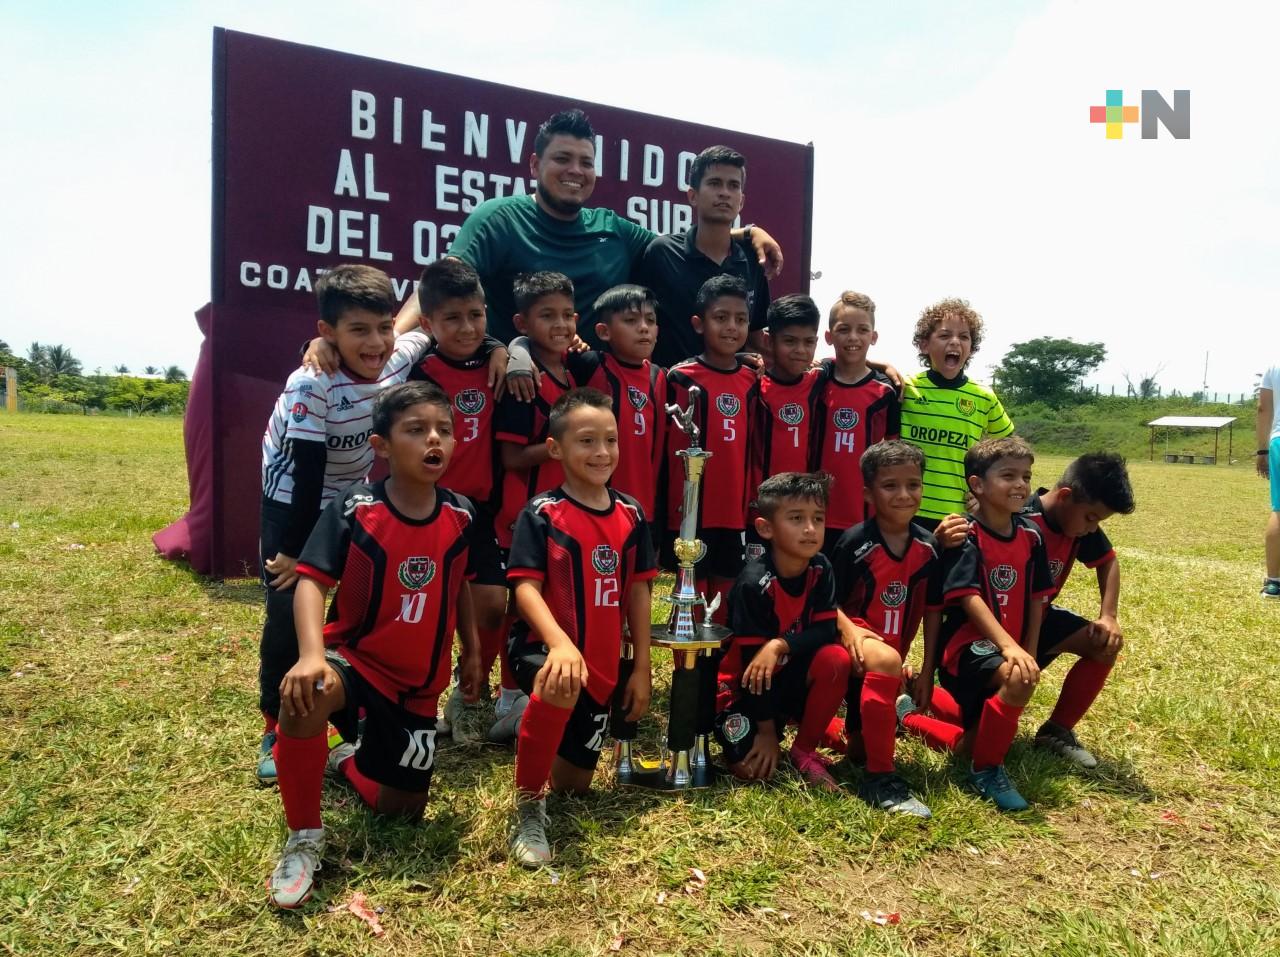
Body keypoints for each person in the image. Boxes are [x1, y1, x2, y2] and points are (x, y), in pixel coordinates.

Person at [266, 381, 482, 908]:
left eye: (444, 430)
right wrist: (311, 656)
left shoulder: (462, 514)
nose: (434, 440)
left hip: (417, 687)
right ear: (381, 445)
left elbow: (461, 585)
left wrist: (473, 651)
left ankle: (344, 758)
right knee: (308, 694)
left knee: (401, 810)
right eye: (416, 430)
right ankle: (304, 839)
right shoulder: (356, 507)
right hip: (355, 660)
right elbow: (312, 581)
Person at [255, 265, 428, 784]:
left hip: (348, 498)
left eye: (383, 327)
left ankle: (344, 711)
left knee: (353, 606)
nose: (375, 343)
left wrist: (505, 353)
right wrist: (295, 552)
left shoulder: (397, 356)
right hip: (291, 501)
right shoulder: (311, 381)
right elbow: (307, 470)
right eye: (358, 331)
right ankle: (275, 728)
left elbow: (433, 313)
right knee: (288, 612)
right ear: (327, 332)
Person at [439, 111, 782, 345]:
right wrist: (408, 341)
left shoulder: (614, 230)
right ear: (534, 165)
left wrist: (747, 232)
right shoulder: (498, 218)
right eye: (562, 159)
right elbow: (441, 285)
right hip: (518, 392)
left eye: (586, 162)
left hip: (599, 405)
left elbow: (686, 246)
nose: (575, 170)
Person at [505, 388, 657, 866]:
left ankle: (536, 724)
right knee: (560, 681)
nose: (602, 452)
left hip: (602, 668)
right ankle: (527, 808)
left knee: (573, 786)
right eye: (587, 441)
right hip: (542, 648)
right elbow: (525, 588)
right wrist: (560, 645)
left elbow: (638, 592)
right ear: (555, 449)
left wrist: (642, 669)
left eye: (610, 440)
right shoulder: (542, 513)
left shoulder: (631, 513)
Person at [404, 259, 520, 744]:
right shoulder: (419, 372)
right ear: (427, 323)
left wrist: (504, 349)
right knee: (429, 609)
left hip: (482, 510)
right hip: (428, 510)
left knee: (491, 604)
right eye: (452, 318)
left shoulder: (498, 361)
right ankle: (411, 703)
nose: (467, 328)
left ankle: (468, 691)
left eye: (476, 315)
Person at [930, 436, 1054, 811]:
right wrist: (1009, 647)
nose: (1020, 485)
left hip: (1007, 646)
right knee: (1017, 681)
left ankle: (909, 713)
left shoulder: (1031, 535)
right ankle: (986, 772)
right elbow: (968, 597)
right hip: (965, 647)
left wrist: (1029, 648)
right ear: (977, 485)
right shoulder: (964, 534)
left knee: (970, 742)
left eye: (1026, 477)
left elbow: (1038, 599)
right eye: (1008, 476)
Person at [715, 472, 850, 790]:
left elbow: (826, 628)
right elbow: (752, 671)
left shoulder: (821, 567)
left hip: (788, 676)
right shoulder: (753, 583)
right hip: (743, 689)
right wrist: (765, 733)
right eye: (796, 518)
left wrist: (779, 645)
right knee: (752, 771)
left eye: (818, 518)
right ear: (766, 528)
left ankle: (804, 749)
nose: (810, 528)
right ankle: (778, 726)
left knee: (836, 659)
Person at [829, 441, 941, 817]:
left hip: (890, 664)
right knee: (887, 661)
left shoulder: (928, 546)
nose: (904, 494)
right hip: (853, 647)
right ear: (868, 494)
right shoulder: (854, 542)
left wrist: (928, 670)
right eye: (890, 485)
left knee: (858, 751)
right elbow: (827, 601)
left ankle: (882, 721)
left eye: (913, 484)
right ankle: (880, 780)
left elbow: (933, 611)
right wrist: (850, 630)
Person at [1019, 453, 1136, 767]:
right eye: (1091, 518)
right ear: (1065, 496)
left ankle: (1056, 731)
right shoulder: (1018, 518)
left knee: (1104, 643)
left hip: (1042, 620)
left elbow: (1108, 561)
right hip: (998, 632)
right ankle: (911, 703)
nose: (1092, 528)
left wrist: (1109, 616)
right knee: (979, 719)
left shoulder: (1078, 523)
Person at [665, 275, 758, 619]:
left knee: (724, 602)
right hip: (691, 513)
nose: (732, 326)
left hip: (733, 512)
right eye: (721, 317)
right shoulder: (681, 377)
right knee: (689, 596)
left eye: (740, 319)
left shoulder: (753, 380)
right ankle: (687, 654)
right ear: (699, 324)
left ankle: (717, 657)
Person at [636, 145, 771, 366]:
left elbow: (755, 340)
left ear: (741, 201)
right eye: (715, 183)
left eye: (733, 185)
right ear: (693, 196)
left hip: (732, 386)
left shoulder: (753, 261)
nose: (724, 192)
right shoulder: (662, 254)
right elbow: (639, 329)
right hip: (670, 385)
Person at [898, 298, 1013, 529]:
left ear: (972, 348)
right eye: (944, 335)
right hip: (906, 509)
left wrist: (984, 493)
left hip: (958, 514)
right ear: (924, 345)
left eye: (964, 336)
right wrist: (882, 365)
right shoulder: (904, 388)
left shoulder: (984, 396)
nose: (954, 342)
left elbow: (1009, 453)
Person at [812, 292, 900, 555]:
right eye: (844, 329)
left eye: (862, 330)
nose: (853, 337)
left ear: (873, 336)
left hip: (863, 513)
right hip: (814, 510)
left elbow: (892, 455)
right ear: (829, 336)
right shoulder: (816, 381)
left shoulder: (886, 392)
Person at [1259, 366, 1280, 599]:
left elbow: (1263, 409)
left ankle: (1274, 582)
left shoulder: (1273, 367)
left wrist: (1262, 450)